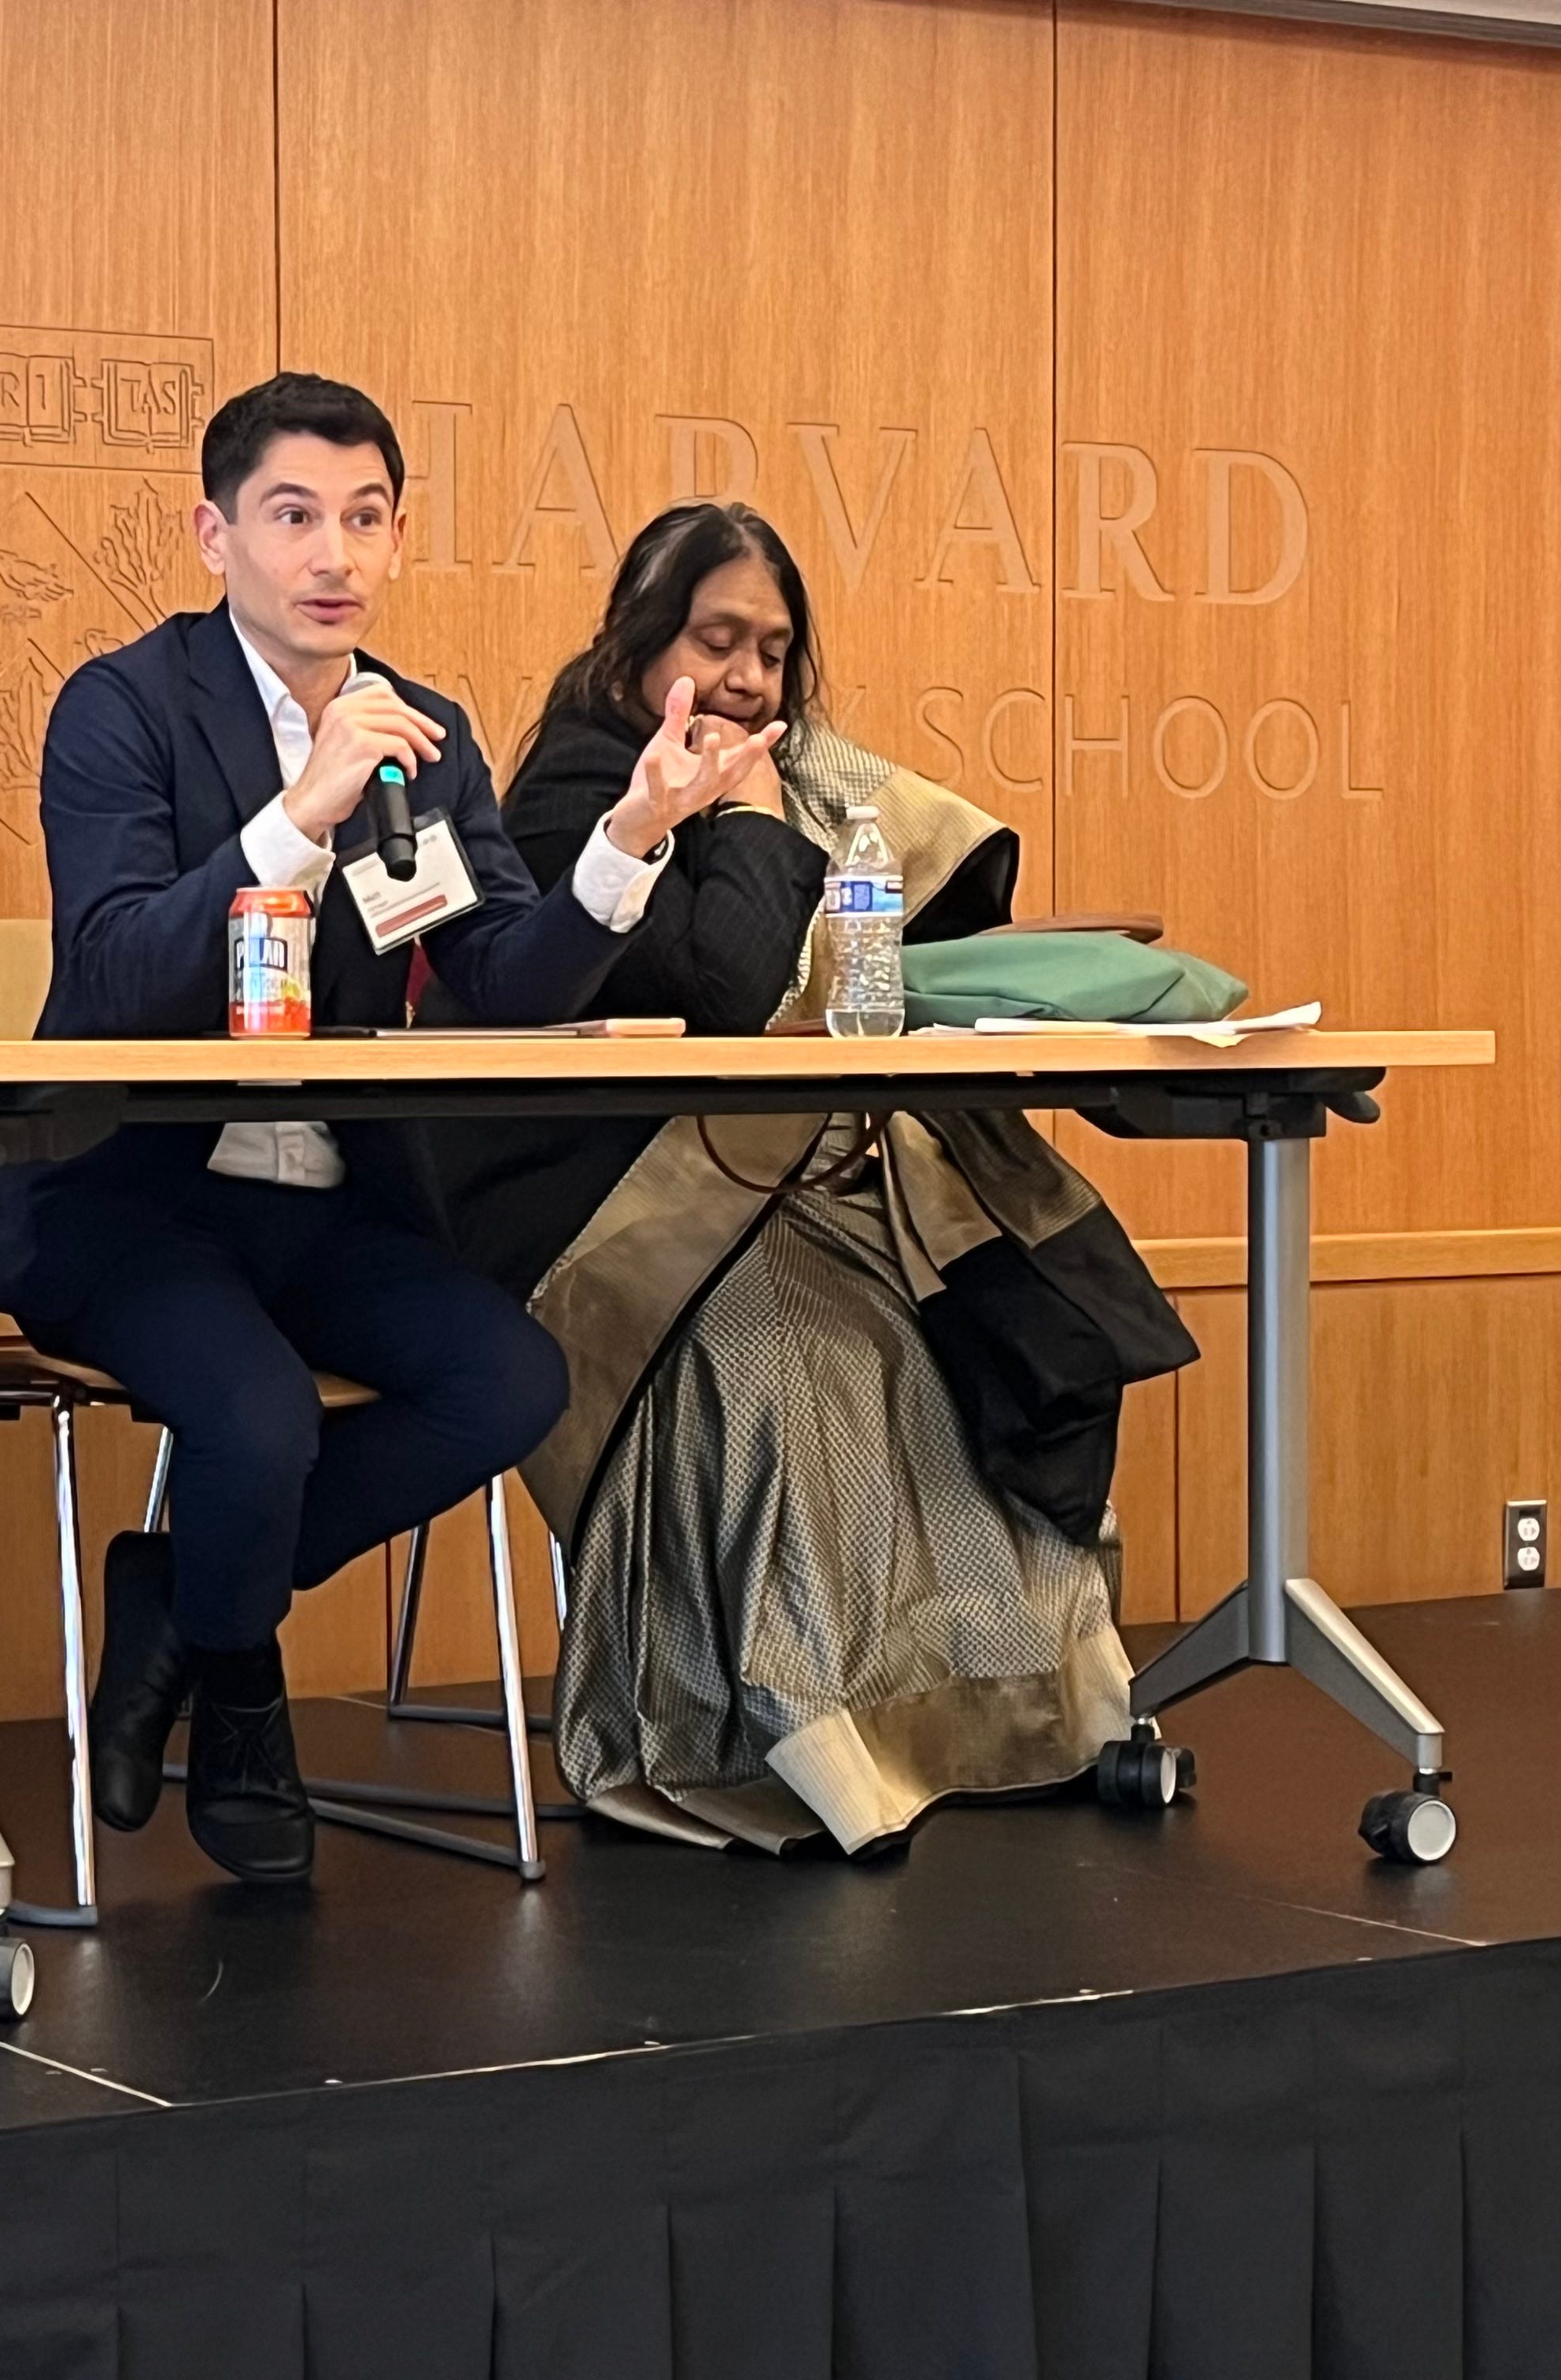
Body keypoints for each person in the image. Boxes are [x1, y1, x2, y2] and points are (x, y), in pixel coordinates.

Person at [0, 375, 777, 1884]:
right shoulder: (123, 708)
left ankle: (183, 1598)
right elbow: (115, 972)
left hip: (326, 1202)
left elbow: (504, 981)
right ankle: (247, 1700)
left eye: (363, 518)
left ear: (401, 538)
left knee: (509, 1381)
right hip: (129, 1199)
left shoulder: (426, 736)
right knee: (260, 1421)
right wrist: (298, 818)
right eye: (292, 517)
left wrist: (632, 839)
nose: (331, 553)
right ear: (214, 536)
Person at [433, 501, 1197, 1856]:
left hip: (779, 1185)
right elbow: (730, 993)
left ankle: (1028, 1719)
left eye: (773, 652)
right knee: (795, 1368)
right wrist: (742, 814)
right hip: (610, 1212)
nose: (746, 677)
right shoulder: (575, 792)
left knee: (977, 1341)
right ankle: (807, 1738)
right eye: (716, 641)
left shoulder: (808, 782)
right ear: (636, 648)